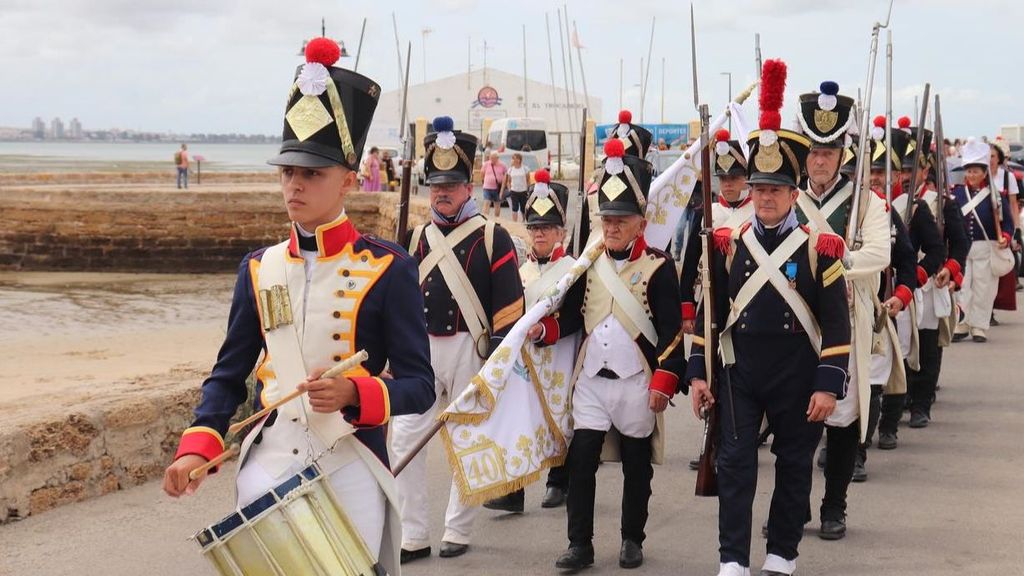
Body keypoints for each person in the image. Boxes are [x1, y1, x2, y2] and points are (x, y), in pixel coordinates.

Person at [160, 37, 435, 576]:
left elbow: (420, 387)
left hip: (350, 464)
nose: (295, 184)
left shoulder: (390, 268)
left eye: (312, 173)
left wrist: (357, 391)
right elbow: (229, 374)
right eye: (289, 171)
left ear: (350, 181)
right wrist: (196, 446)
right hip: (266, 464)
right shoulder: (259, 268)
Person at [688, 66, 851, 575]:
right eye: (758, 187)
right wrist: (698, 372)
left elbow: (837, 324)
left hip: (796, 372)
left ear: (794, 191)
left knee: (794, 466)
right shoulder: (727, 242)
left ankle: (781, 555)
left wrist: (828, 386)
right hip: (740, 370)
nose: (764, 197)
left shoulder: (821, 249)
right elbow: (707, 312)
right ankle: (733, 560)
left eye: (775, 189)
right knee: (735, 467)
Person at [396, 115, 525, 562]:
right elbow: (397, 301)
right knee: (404, 440)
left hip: (471, 348)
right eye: (435, 185)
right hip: (420, 352)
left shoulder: (493, 235)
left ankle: (457, 529)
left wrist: (498, 364)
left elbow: (510, 308)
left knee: (467, 442)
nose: (442, 192)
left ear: (469, 187)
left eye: (450, 184)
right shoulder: (415, 237)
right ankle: (413, 534)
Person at [553, 137, 683, 571]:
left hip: (636, 382)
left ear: (640, 222)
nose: (611, 227)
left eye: (621, 219)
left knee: (636, 466)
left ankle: (632, 538)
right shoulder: (587, 265)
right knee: (581, 463)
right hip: (590, 381)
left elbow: (671, 331)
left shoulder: (660, 267)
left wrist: (665, 380)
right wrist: (544, 328)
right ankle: (579, 545)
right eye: (607, 219)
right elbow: (571, 317)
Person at [793, 80, 890, 541]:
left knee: (844, 416)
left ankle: (835, 507)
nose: (819, 160)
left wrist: (841, 259)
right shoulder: (790, 200)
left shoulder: (864, 201)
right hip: (795, 319)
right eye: (813, 151)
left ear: (842, 154)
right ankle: (794, 506)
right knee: (798, 419)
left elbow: (880, 253)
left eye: (828, 152)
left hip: (846, 318)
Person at [483, 168, 580, 513]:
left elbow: (576, 317)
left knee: (559, 419)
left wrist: (547, 331)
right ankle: (514, 491)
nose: (539, 234)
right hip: (522, 361)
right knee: (520, 422)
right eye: (535, 228)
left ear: (561, 232)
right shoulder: (519, 271)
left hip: (558, 356)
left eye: (547, 228)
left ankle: (559, 481)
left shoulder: (573, 270)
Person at [680, 128, 755, 335]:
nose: (728, 184)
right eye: (723, 179)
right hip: (711, 296)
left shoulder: (758, 213)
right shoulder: (707, 213)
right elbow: (690, 261)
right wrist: (687, 308)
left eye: (734, 177)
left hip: (749, 295)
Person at [952, 138, 1015, 343]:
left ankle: (979, 326)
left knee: (983, 290)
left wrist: (1005, 237)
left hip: (985, 249)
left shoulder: (995, 196)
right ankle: (961, 324)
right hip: (963, 249)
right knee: (963, 289)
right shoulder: (957, 194)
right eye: (969, 171)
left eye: (975, 171)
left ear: (984, 173)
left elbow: (1008, 224)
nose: (971, 175)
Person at [505, 153, 531, 222]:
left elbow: (528, 180)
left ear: (519, 160)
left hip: (523, 191)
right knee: (514, 207)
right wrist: (509, 189)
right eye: (513, 159)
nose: (514, 160)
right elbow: (508, 181)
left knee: (523, 207)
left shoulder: (525, 169)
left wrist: (528, 189)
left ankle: (524, 221)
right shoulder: (510, 169)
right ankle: (514, 222)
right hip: (514, 191)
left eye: (516, 158)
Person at [482, 151, 508, 218]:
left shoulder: (502, 165)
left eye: (493, 158)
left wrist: (503, 187)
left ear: (497, 158)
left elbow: (506, 175)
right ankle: (485, 219)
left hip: (497, 188)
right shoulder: (486, 164)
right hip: (487, 187)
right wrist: (485, 180)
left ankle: (496, 219)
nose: (492, 159)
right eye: (491, 158)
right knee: (486, 203)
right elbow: (482, 173)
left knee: (497, 204)